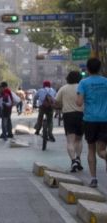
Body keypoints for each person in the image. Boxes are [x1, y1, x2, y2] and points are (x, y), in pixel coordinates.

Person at [76, 57, 107, 188]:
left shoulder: (83, 83)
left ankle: (93, 179)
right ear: (100, 69)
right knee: (102, 150)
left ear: (87, 69)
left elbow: (79, 102)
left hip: (90, 120)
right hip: (105, 119)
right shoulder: (106, 81)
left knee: (92, 149)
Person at [55, 71, 85, 173]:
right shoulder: (82, 87)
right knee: (79, 139)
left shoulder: (63, 88)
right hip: (81, 114)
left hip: (68, 115)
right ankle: (78, 158)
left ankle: (73, 161)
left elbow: (57, 101)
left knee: (70, 141)